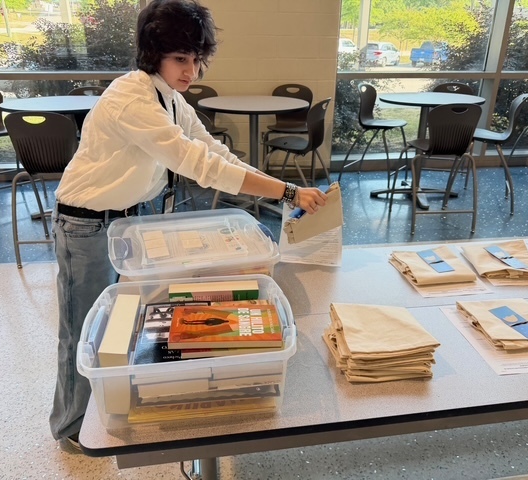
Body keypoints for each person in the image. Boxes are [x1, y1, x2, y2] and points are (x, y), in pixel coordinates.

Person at [50, 0, 327, 453]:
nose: (191, 71)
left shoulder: (171, 99)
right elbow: (197, 164)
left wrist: (283, 186)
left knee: (127, 323)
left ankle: (115, 410)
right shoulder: (130, 95)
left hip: (128, 221)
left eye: (197, 60)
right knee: (82, 330)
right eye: (181, 58)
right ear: (153, 53)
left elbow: (215, 153)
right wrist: (288, 193)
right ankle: (70, 430)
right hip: (86, 225)